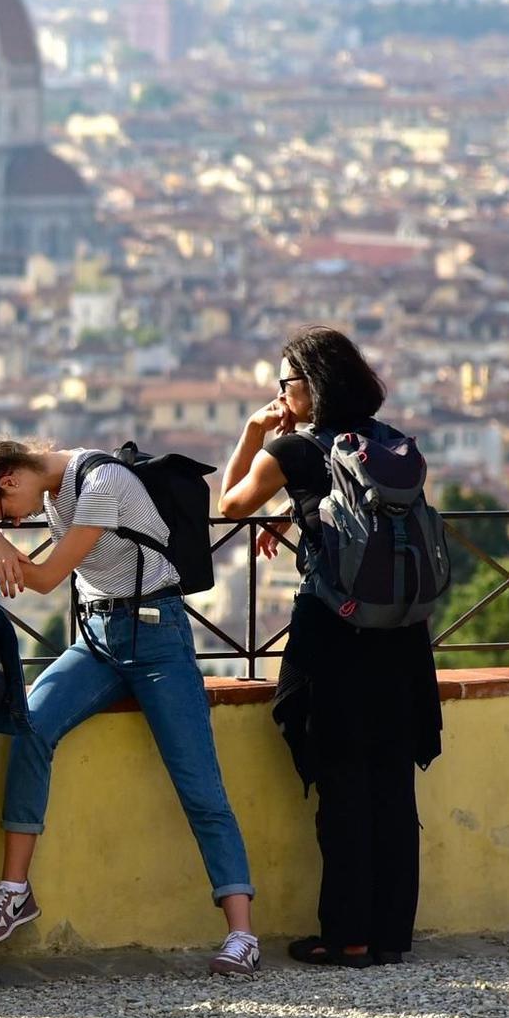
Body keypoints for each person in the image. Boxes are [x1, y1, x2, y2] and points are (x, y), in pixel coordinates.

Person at [0, 440, 261, 976]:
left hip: (157, 637)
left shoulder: (100, 484)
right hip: (95, 639)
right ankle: (15, 890)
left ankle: (242, 934)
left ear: (9, 482)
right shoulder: (51, 488)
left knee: (199, 784)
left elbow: (42, 579)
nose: (15, 523)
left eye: (3, 513)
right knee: (30, 728)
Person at [216, 325, 441, 968]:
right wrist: (295, 513)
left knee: (341, 781)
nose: (279, 394)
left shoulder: (294, 448)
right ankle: (391, 933)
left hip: (335, 631)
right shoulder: (389, 444)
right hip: (401, 635)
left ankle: (345, 935)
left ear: (309, 389)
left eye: (284, 384)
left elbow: (230, 504)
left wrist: (256, 432)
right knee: (391, 784)